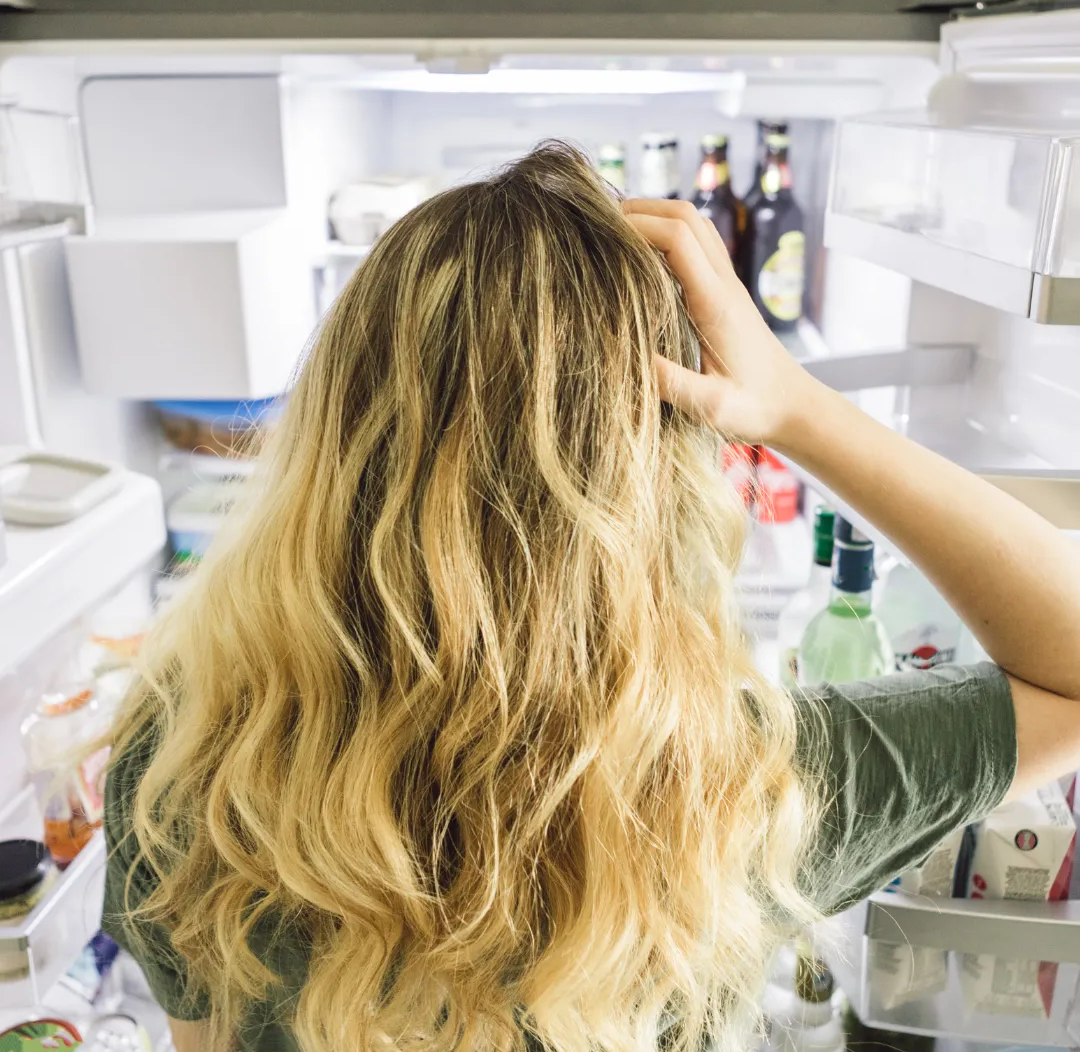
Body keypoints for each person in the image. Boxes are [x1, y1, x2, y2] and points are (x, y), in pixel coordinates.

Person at [103, 142, 1080, 1052]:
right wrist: (795, 406)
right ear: (660, 471)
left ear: (334, 434)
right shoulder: (732, 789)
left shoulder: (186, 765)